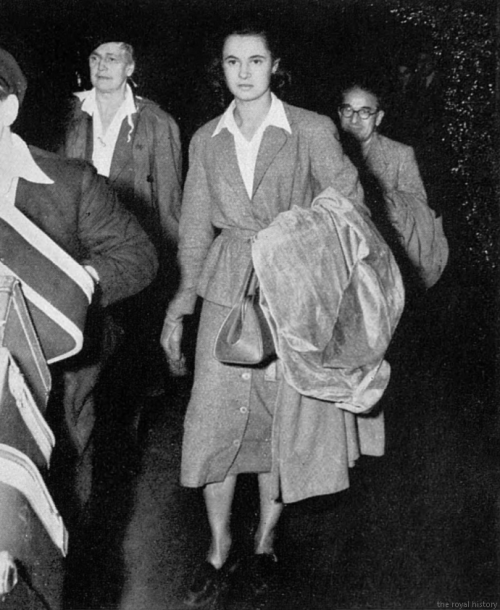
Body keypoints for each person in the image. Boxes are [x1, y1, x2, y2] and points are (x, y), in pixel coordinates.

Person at [160, 23, 384, 609]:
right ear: (223, 68)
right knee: (213, 420)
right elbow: (191, 230)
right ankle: (216, 547)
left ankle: (263, 543)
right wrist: (183, 301)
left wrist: (295, 238)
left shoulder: (310, 129)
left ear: (273, 65)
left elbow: (350, 204)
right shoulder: (206, 138)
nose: (243, 72)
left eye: (255, 60)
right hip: (227, 284)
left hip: (294, 287)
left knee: (280, 418)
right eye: (232, 61)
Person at [0, 47, 158, 528]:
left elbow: (138, 257)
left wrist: (74, 281)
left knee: (55, 499)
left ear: (8, 109)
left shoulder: (69, 182)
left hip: (59, 369)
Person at [63, 39, 183, 402]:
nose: (102, 66)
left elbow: (170, 208)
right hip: (74, 257)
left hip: (130, 259)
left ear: (130, 68)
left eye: (113, 59)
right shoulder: (68, 112)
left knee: (123, 379)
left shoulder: (157, 123)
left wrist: (169, 283)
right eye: (96, 57)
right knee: (73, 375)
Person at [337, 81, 448, 294]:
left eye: (365, 112)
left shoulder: (401, 154)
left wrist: (376, 199)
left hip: (386, 262)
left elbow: (418, 208)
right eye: (348, 109)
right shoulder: (325, 151)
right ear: (339, 113)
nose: (354, 119)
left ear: (378, 118)